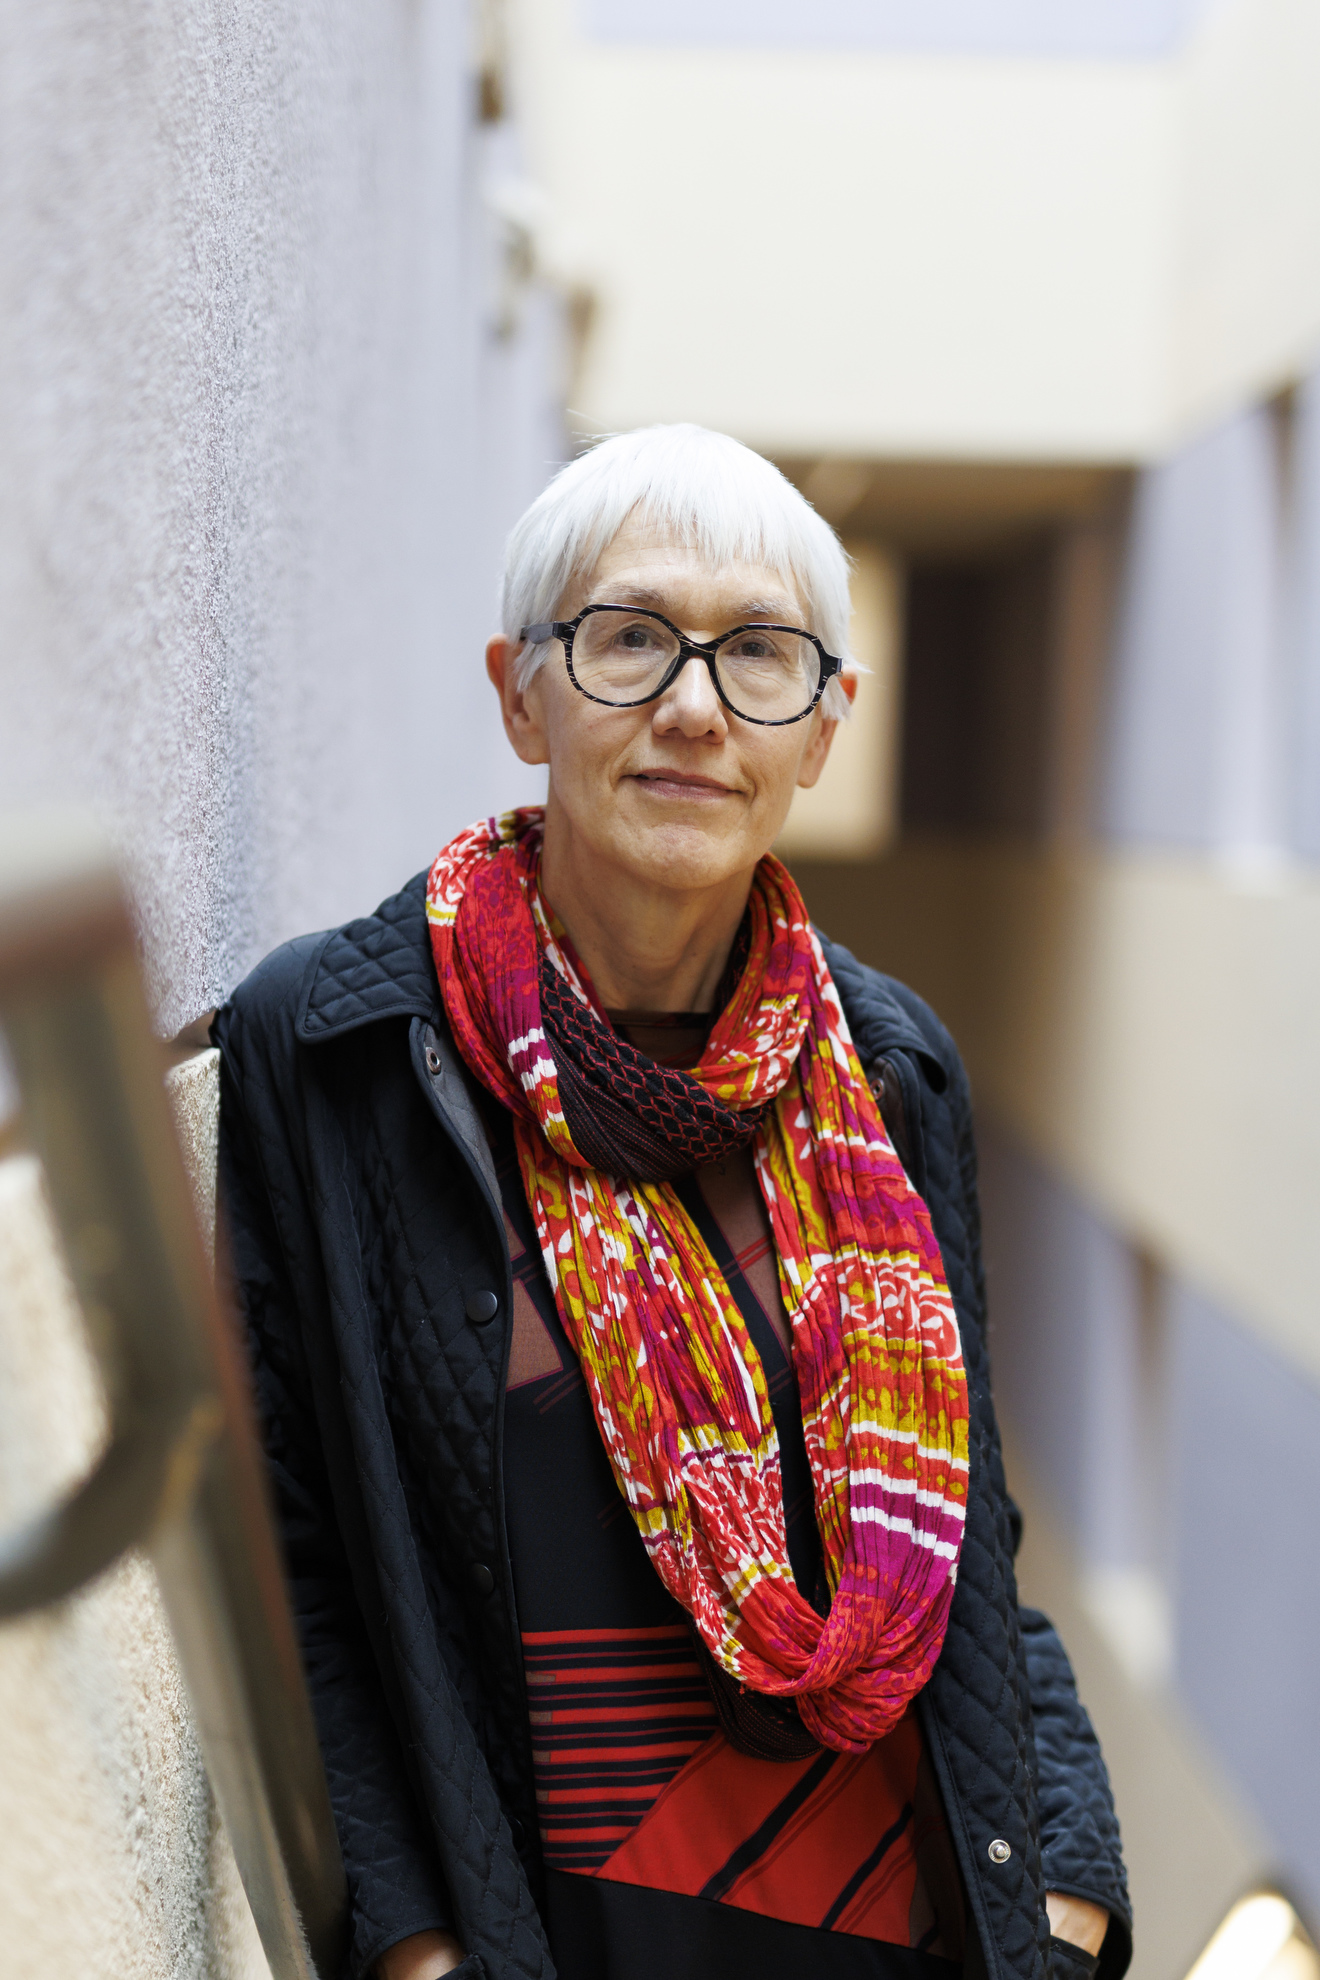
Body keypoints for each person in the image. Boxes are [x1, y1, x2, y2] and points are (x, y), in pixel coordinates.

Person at [214, 425, 1130, 1980]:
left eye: (761, 657)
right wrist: (418, 1948)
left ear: (825, 729)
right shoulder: (345, 1049)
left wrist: (1066, 1904)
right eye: (631, 640)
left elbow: (968, 1538)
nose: (696, 710)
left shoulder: (893, 1068)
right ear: (521, 692)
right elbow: (295, 1566)